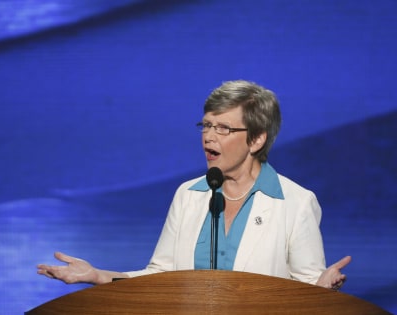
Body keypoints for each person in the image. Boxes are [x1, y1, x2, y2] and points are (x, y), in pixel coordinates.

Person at [37, 80, 350, 290]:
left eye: (223, 128)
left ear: (256, 139)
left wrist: (320, 289)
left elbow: (307, 292)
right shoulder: (188, 195)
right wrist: (98, 276)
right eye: (206, 125)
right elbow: (161, 277)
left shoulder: (295, 202)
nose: (209, 137)